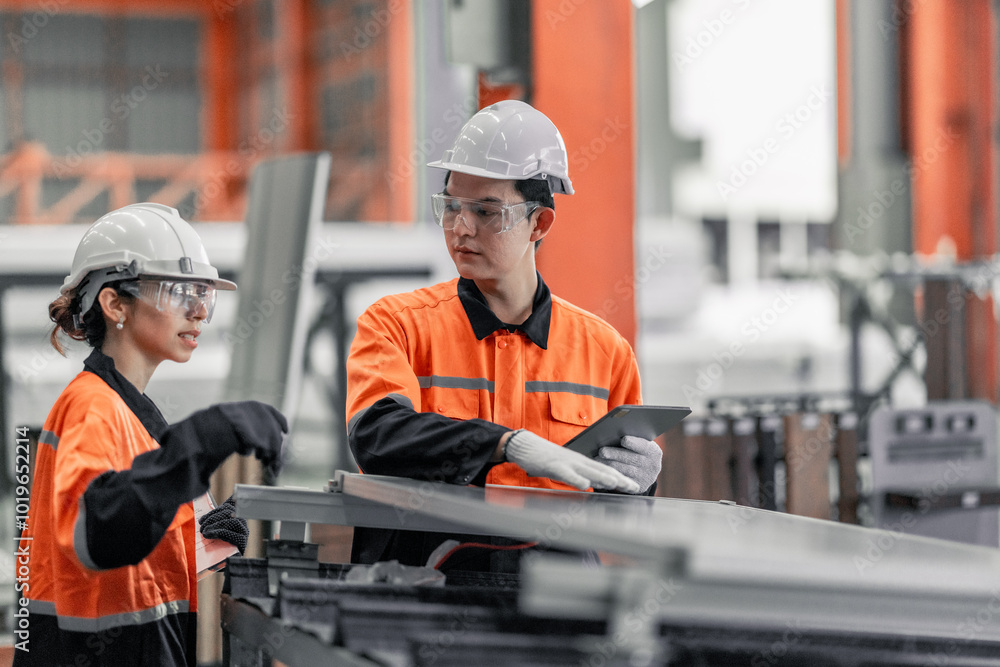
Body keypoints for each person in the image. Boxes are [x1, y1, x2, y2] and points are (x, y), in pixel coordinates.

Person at [345, 100, 663, 572]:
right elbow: (378, 437)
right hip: (427, 589)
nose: (461, 227)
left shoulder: (605, 351)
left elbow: (618, 512)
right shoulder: (397, 325)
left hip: (557, 598)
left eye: (486, 211)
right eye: (451, 206)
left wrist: (642, 482)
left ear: (539, 223)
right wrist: (505, 445)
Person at [14, 203, 287, 667]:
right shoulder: (92, 406)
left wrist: (198, 537)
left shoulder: (133, 413)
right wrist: (202, 439)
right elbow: (102, 532)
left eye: (203, 294)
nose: (198, 311)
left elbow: (134, 531)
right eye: (179, 292)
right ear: (114, 304)